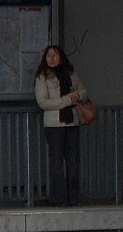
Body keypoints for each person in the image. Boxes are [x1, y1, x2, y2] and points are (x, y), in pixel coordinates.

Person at [34, 44, 88, 206]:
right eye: (48, 55)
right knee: (56, 162)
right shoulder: (42, 76)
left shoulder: (70, 73)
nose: (51, 58)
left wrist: (77, 95)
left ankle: (73, 198)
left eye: (55, 55)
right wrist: (67, 100)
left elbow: (84, 92)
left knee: (73, 161)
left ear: (61, 57)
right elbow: (43, 102)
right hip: (54, 125)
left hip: (72, 122)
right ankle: (59, 198)